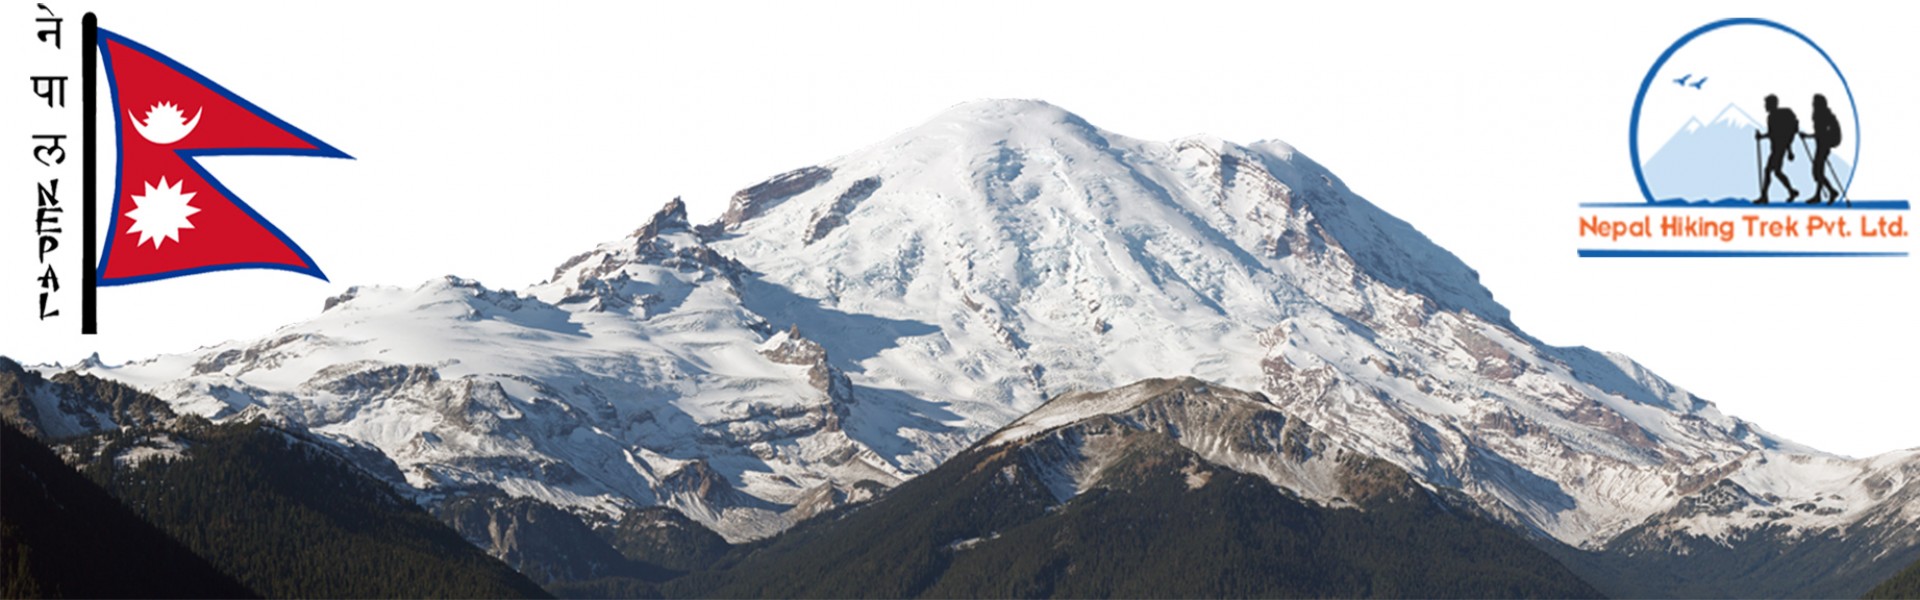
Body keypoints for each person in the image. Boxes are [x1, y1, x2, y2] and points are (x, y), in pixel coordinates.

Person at [1753, 94, 1798, 204]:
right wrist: (1762, 137)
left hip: (1778, 149)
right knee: (1777, 172)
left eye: (1767, 104)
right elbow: (1773, 134)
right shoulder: (1772, 117)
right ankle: (1791, 191)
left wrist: (1790, 151)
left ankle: (1764, 196)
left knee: (1768, 171)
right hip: (1777, 149)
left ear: (1772, 104)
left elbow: (1781, 134)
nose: (1765, 106)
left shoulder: (1774, 117)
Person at [1802, 94, 1842, 204]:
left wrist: (1807, 136)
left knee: (1817, 171)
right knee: (1818, 171)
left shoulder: (1822, 115)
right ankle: (1821, 194)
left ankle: (1829, 192)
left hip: (1824, 145)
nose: (1813, 104)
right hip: (1822, 144)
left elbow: (1821, 133)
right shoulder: (1821, 114)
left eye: (1814, 102)